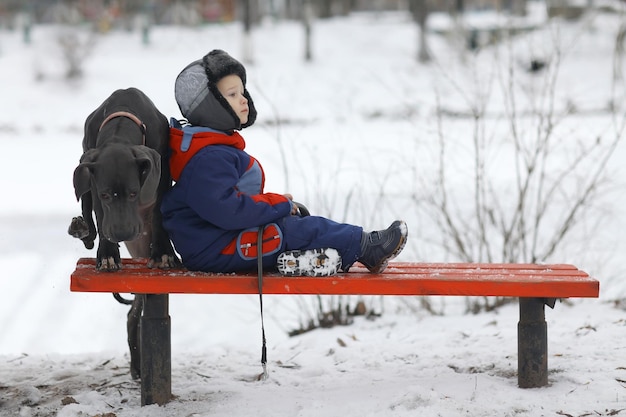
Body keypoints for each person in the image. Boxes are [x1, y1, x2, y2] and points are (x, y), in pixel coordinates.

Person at [161, 49, 407, 276]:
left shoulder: (210, 149)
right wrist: (277, 204)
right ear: (210, 106)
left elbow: (231, 207)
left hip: (220, 241)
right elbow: (229, 211)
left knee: (294, 224)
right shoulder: (208, 157)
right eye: (232, 94)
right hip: (215, 248)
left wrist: (278, 206)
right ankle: (366, 247)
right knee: (291, 230)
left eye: (243, 92)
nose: (244, 99)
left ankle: (313, 258)